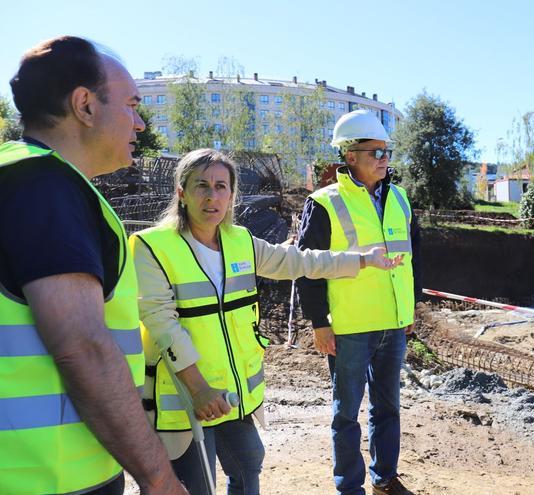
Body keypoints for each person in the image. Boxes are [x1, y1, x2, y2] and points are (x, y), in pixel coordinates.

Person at [0, 37, 185, 494]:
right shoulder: (38, 184)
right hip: (38, 476)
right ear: (84, 105)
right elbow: (82, 346)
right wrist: (159, 477)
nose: (141, 123)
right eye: (131, 105)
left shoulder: (13, 177)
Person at [130, 148, 401, 495]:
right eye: (201, 186)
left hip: (232, 397)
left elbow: (298, 262)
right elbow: (162, 325)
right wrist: (198, 389)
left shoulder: (239, 241)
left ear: (232, 194)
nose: (212, 196)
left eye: (221, 186)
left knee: (248, 465)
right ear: (181, 192)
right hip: (185, 399)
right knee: (197, 485)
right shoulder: (152, 247)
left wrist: (362, 260)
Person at [297, 109, 421, 495]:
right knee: (346, 415)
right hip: (349, 326)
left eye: (387, 152)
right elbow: (307, 267)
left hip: (393, 323)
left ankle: (384, 477)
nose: (384, 160)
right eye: (375, 153)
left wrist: (410, 307)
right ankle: (349, 487)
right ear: (350, 156)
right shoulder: (324, 203)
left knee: (388, 408)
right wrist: (319, 322)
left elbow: (414, 258)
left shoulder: (399, 198)